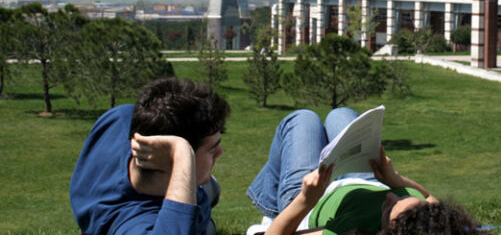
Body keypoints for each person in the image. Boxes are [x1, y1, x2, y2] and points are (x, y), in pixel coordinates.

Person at [246, 108, 478, 235]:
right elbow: (428, 197)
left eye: (389, 209)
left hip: (315, 194)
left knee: (301, 119)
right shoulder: (435, 223)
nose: (390, 196)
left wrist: (305, 200)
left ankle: (271, 208)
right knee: (341, 113)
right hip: (364, 177)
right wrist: (396, 179)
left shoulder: (351, 231)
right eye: (403, 197)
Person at [70, 78, 230, 235]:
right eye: (212, 149)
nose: (220, 152)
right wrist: (181, 151)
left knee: (209, 188)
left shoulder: (119, 118)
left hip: (180, 184)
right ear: (174, 162)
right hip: (188, 212)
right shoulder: (134, 223)